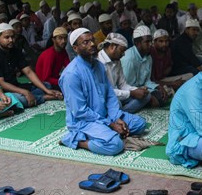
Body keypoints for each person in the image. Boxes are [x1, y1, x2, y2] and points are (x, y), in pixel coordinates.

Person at [59, 28, 147, 156]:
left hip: (106, 116)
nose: (92, 44)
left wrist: (116, 117)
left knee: (140, 124)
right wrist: (111, 124)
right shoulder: (71, 74)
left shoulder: (99, 66)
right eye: (86, 42)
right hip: (84, 121)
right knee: (115, 145)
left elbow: (110, 95)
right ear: (75, 48)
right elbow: (80, 111)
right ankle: (74, 140)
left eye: (92, 40)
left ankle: (105, 133)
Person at [0, 23, 63, 108]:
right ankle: (44, 97)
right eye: (7, 37)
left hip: (15, 86)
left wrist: (46, 90)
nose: (11, 40)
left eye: (13, 37)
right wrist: (24, 92)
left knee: (47, 85)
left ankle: (39, 95)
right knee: (19, 99)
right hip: (1, 92)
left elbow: (28, 72)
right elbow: (1, 83)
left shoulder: (15, 51)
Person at [98, 32, 150, 113]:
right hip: (103, 99)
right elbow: (106, 92)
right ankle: (119, 113)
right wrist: (131, 93)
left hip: (117, 96)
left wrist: (137, 90)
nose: (124, 54)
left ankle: (120, 113)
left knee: (146, 96)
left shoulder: (116, 60)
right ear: (112, 47)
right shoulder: (98, 63)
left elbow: (122, 84)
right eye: (122, 51)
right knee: (116, 103)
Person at [121, 26, 169, 108]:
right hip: (130, 91)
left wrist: (157, 86)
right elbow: (126, 85)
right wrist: (149, 96)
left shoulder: (148, 57)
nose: (151, 44)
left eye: (151, 41)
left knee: (162, 97)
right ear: (138, 43)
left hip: (143, 90)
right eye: (147, 42)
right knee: (151, 99)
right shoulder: (129, 58)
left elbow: (147, 80)